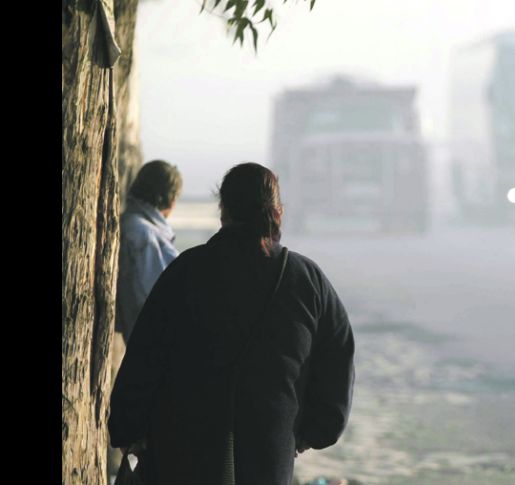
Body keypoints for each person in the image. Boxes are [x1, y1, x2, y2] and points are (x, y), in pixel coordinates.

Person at [108, 162, 355, 485]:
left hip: (181, 454)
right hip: (267, 457)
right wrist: (309, 433)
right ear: (277, 213)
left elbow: (145, 357)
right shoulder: (308, 282)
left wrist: (128, 427)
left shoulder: (186, 272)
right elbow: (338, 359)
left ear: (224, 211)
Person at [116, 159, 183, 344]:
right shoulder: (143, 234)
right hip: (157, 345)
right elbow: (155, 297)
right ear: (171, 199)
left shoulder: (131, 224)